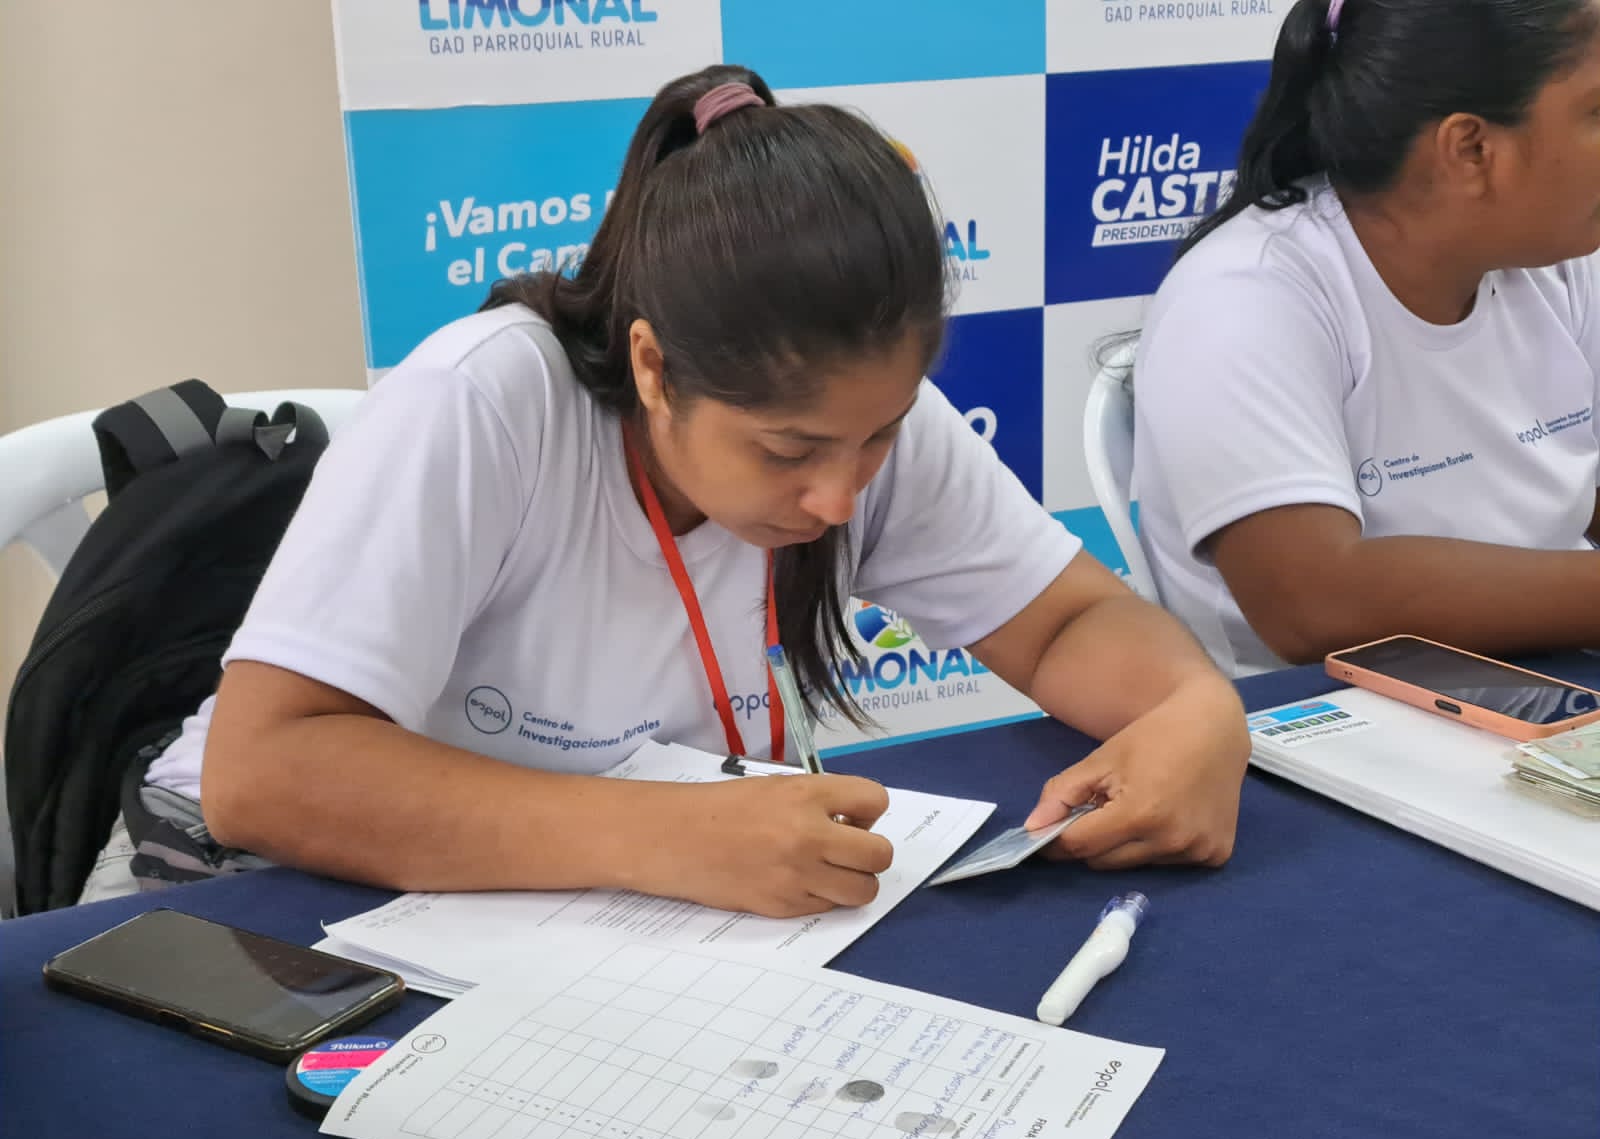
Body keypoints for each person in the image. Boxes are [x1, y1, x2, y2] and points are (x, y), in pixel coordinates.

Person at [99, 65, 1247, 915]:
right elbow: (265, 775)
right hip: (240, 886)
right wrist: (660, 836)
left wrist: (1195, 710)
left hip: (556, 900)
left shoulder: (857, 415)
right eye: (787, 451)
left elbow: (1067, 623)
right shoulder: (485, 401)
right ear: (652, 368)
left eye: (878, 437)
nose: (838, 497)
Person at [1131, 0, 1600, 677]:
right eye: (1596, 113)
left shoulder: (1561, 259)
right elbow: (1314, 604)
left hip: (1549, 687)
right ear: (1471, 149)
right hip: (1324, 720)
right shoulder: (1243, 294)